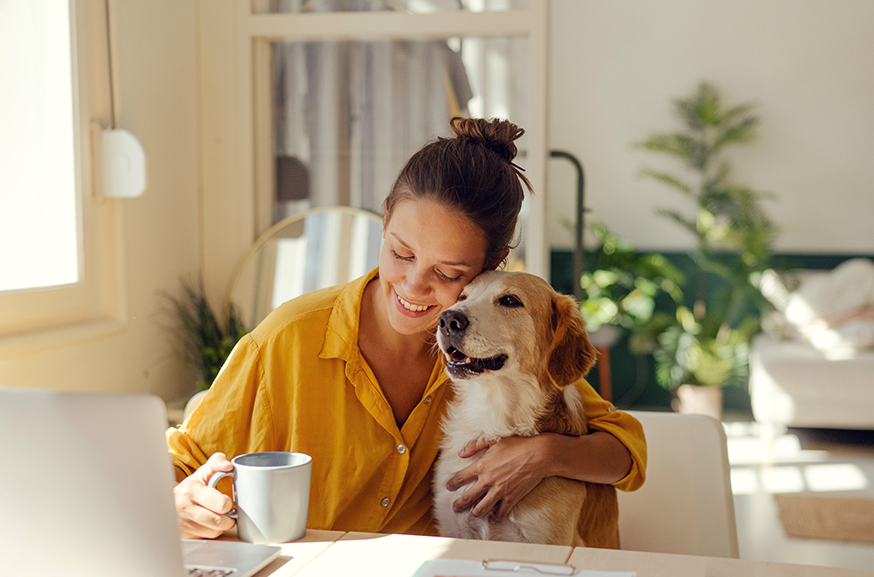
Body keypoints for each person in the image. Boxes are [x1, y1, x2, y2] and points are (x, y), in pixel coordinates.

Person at [167, 117, 646, 546]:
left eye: (450, 272)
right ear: (385, 221)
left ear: (491, 267)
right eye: (402, 252)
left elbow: (624, 450)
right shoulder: (285, 340)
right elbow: (181, 464)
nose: (415, 286)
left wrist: (545, 454)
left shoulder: (492, 354)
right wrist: (179, 500)